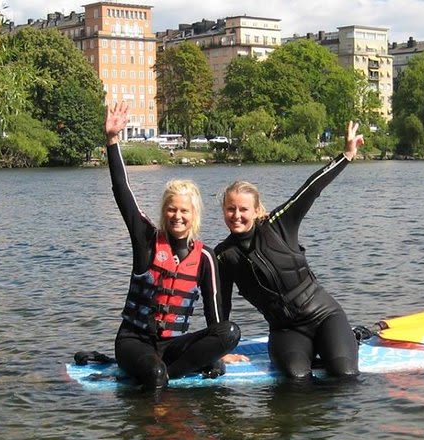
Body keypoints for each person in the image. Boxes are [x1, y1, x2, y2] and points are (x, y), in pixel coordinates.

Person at [103, 101, 242, 390]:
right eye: (171, 209)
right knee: (155, 376)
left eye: (184, 211)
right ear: (164, 211)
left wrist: (219, 351)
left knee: (230, 332)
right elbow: (122, 192)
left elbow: (215, 319)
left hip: (172, 345)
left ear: (194, 215)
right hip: (134, 340)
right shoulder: (146, 240)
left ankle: (168, 371)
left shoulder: (205, 257)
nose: (177, 216)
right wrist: (112, 140)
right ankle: (159, 378)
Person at [215, 121, 364, 379]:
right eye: (231, 209)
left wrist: (346, 156)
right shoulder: (223, 256)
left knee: (345, 374)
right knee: (296, 378)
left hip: (324, 314)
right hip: (286, 330)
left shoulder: (279, 224)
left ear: (257, 210)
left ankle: (344, 342)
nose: (236, 215)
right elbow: (221, 305)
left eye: (243, 209)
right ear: (224, 211)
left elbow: (311, 188)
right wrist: (220, 349)